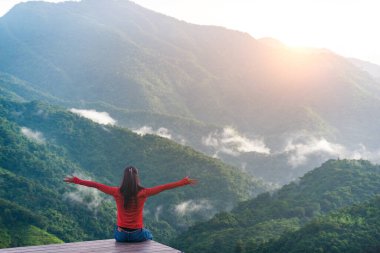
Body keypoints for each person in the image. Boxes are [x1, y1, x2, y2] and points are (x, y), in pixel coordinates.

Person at [64, 166, 197, 242]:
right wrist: (183, 182)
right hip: (137, 234)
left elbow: (96, 185)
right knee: (149, 235)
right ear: (136, 177)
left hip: (120, 235)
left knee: (119, 231)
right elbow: (164, 187)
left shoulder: (116, 192)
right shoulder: (143, 193)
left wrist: (77, 180)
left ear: (124, 178)